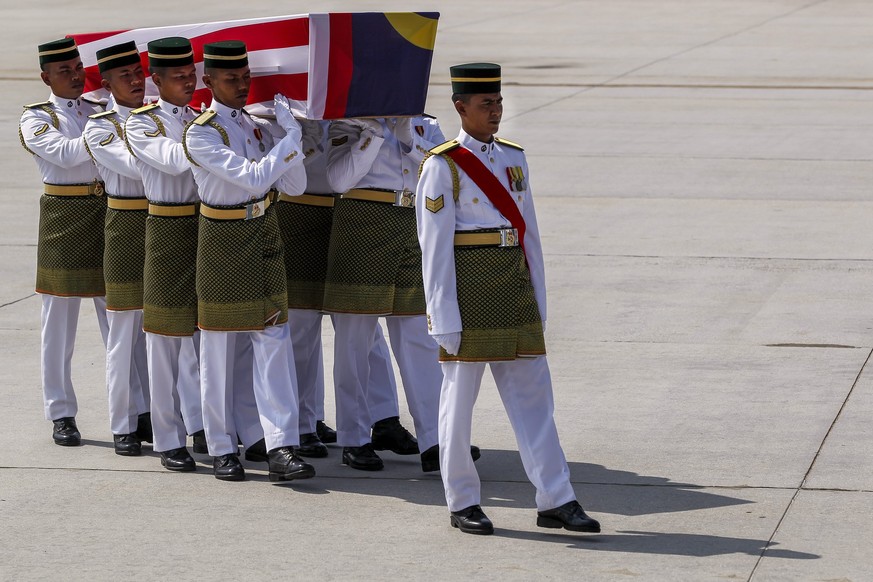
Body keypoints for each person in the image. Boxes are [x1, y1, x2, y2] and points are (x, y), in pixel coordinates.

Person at [416, 63, 601, 535]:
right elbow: (433, 249)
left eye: (498, 103)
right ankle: (462, 500)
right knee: (458, 404)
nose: (495, 112)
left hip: (513, 291)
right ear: (461, 108)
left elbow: (529, 234)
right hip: (470, 296)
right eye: (485, 104)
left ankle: (556, 497)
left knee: (536, 398)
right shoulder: (442, 165)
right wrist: (443, 317)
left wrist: (538, 300)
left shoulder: (514, 158)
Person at [183, 40, 314, 483]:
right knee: (218, 350)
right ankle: (222, 446)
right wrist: (291, 140)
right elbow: (253, 176)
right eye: (231, 79)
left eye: (245, 77)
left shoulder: (259, 128)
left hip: (265, 233)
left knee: (273, 343)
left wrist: (283, 134)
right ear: (209, 82)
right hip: (222, 240)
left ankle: (281, 445)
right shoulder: (201, 132)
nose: (241, 85)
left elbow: (294, 185)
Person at [324, 114, 452, 472]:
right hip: (363, 224)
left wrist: (409, 139)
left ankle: (436, 439)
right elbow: (338, 179)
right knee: (355, 342)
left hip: (412, 223)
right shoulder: (349, 124)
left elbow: (447, 172)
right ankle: (353, 437)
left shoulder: (426, 124)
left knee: (419, 339)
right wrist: (375, 136)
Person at [276, 119, 399, 458]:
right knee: (302, 330)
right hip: (302, 212)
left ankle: (384, 417)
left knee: (365, 327)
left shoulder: (356, 106)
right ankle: (303, 423)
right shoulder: (290, 107)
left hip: (352, 212)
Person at [19, 38, 109, 446]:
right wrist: (114, 124)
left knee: (120, 320)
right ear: (46, 78)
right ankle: (61, 412)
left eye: (77, 68)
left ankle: (134, 409)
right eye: (64, 71)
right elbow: (69, 155)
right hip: (64, 219)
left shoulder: (97, 111)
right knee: (58, 324)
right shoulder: (36, 120)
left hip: (107, 214)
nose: (75, 76)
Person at [124, 37, 205, 471]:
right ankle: (168, 438)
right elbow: (175, 161)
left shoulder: (198, 117)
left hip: (206, 225)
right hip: (168, 226)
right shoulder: (142, 123)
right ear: (156, 80)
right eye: (178, 77)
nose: (188, 83)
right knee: (164, 338)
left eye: (191, 75)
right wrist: (215, 137)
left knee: (203, 334)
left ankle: (202, 423)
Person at [82, 40, 152, 457]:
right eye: (125, 76)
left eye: (138, 73)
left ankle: (162, 415)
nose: (135, 81)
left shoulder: (158, 120)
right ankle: (124, 422)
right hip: (125, 223)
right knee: (123, 331)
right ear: (107, 83)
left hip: (168, 221)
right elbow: (136, 168)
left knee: (168, 328)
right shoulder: (100, 126)